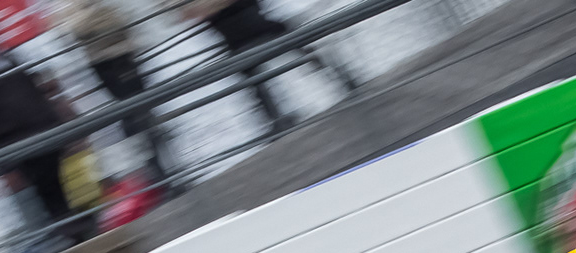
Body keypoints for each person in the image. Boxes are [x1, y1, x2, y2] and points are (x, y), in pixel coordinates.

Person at [0, 21, 90, 240]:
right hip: (17, 141)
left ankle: (75, 226)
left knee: (61, 181)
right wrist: (2, 164)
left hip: (42, 128)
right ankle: (73, 229)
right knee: (49, 187)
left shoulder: (8, 59)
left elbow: (36, 87)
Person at [180, 0, 355, 136]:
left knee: (258, 79)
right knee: (302, 56)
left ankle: (277, 119)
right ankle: (341, 79)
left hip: (248, 40)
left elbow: (191, 14)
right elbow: (188, 15)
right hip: (252, 37)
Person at [56, 0, 173, 183]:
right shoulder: (74, 8)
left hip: (119, 57)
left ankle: (162, 169)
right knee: (135, 114)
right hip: (110, 61)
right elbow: (75, 29)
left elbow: (117, 20)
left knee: (139, 112)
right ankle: (158, 170)